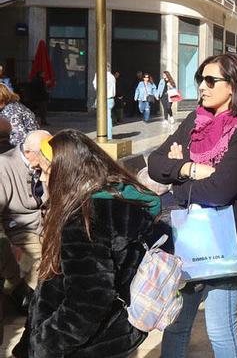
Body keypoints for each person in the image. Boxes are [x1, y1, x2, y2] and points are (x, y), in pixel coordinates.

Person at [149, 53, 237, 357]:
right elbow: (155, 163)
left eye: (211, 80)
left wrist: (177, 183)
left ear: (233, 86)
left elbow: (221, 190)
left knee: (218, 327)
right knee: (175, 323)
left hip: (226, 239)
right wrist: (189, 169)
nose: (202, 86)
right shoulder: (195, 120)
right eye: (200, 79)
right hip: (186, 236)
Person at [13, 129, 169, 357]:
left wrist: (43, 344)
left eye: (46, 171)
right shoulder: (122, 199)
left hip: (84, 346)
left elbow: (87, 301)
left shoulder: (84, 219)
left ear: (67, 174)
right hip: (115, 334)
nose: (43, 179)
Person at [0, 129, 51, 311]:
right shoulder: (4, 166)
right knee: (39, 263)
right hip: (19, 228)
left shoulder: (42, 165)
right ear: (29, 152)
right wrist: (7, 245)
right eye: (43, 154)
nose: (47, 157)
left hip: (45, 224)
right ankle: (37, 301)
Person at [93, 65, 117, 137]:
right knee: (108, 117)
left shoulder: (99, 75)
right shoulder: (112, 77)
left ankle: (104, 135)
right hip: (110, 99)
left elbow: (95, 86)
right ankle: (108, 135)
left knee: (103, 118)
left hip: (103, 99)